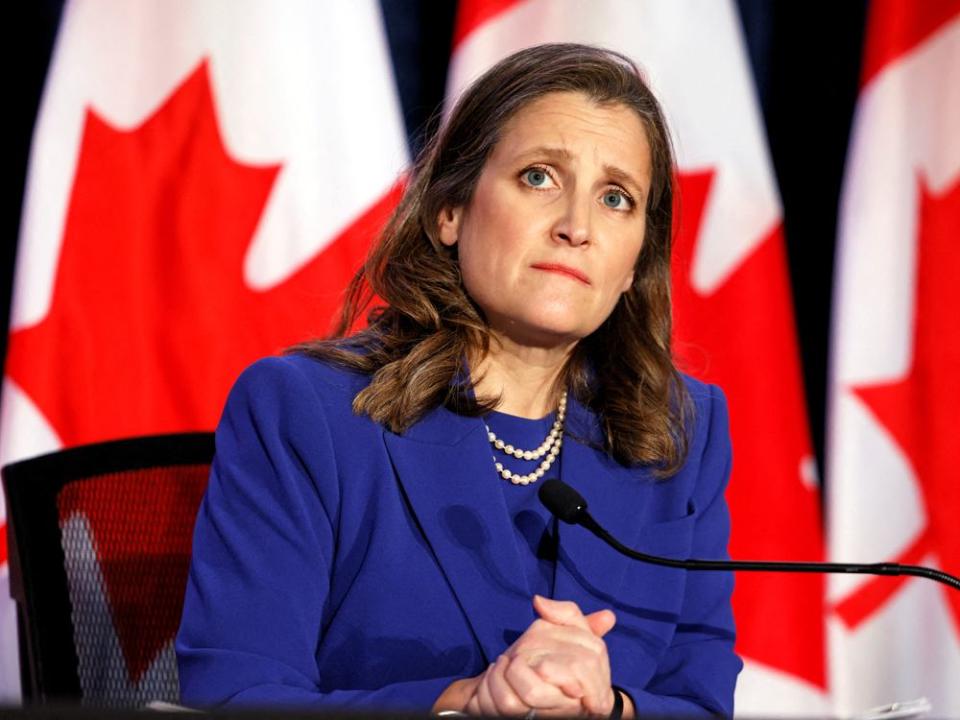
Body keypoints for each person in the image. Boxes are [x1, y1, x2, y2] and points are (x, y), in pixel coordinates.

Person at [176, 43, 742, 717]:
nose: (576, 227)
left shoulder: (680, 435)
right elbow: (235, 696)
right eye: (539, 177)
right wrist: (463, 703)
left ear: (632, 267)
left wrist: (609, 708)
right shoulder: (307, 413)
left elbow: (699, 703)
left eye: (616, 198)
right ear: (450, 211)